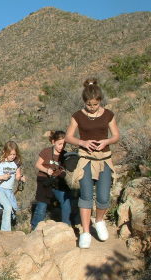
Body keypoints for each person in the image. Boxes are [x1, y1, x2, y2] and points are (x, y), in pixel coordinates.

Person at [65, 78, 119, 249]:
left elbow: (116, 136)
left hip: (104, 159)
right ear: (85, 101)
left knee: (103, 196)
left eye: (95, 104)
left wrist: (106, 142)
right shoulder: (77, 116)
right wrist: (83, 143)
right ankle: (86, 232)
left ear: (100, 101)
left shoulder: (109, 114)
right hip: (86, 160)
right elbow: (69, 137)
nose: (92, 107)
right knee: (86, 196)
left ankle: (100, 220)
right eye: (89, 104)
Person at [30, 131, 72, 230]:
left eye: (64, 144)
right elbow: (38, 164)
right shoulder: (46, 151)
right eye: (60, 144)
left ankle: (66, 227)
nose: (62, 146)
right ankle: (35, 228)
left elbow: (66, 168)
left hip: (57, 180)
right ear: (53, 142)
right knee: (42, 205)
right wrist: (46, 170)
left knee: (66, 201)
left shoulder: (65, 154)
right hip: (44, 179)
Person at [0, 141, 26, 231]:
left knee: (12, 211)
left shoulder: (16, 163)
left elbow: (17, 176)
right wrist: (2, 177)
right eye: (10, 154)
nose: (12, 156)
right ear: (5, 152)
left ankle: (5, 227)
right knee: (8, 207)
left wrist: (21, 178)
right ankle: (5, 232)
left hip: (9, 191)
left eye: (14, 154)